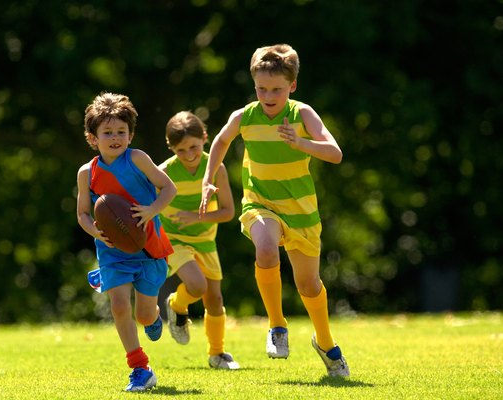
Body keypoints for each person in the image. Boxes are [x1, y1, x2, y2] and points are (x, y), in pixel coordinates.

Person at [200, 44, 350, 377]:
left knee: (309, 285)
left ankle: (325, 343)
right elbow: (221, 142)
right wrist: (207, 180)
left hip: (302, 212)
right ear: (254, 84)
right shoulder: (244, 116)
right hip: (260, 203)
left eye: (277, 89)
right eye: (261, 88)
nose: (268, 95)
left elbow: (335, 153)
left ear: (292, 86)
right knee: (266, 249)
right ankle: (277, 326)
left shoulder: (302, 114)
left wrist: (301, 143)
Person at [76, 92, 176, 392]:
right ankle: (140, 368)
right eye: (107, 133)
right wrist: (95, 231)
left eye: (121, 131)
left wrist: (151, 210)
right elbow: (82, 213)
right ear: (93, 138)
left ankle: (154, 317)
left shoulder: (139, 159)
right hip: (112, 252)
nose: (115, 138)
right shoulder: (87, 173)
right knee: (119, 305)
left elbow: (168, 189)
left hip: (149, 248)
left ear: (130, 135)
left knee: (143, 314)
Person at [158, 111, 239, 370]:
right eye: (181, 150)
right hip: (173, 239)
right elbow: (145, 205)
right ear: (171, 148)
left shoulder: (216, 167)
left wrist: (197, 217)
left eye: (194, 147)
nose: (189, 154)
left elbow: (228, 212)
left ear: (205, 138)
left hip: (205, 240)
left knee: (214, 299)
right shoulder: (163, 173)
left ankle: (217, 354)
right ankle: (176, 304)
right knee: (197, 285)